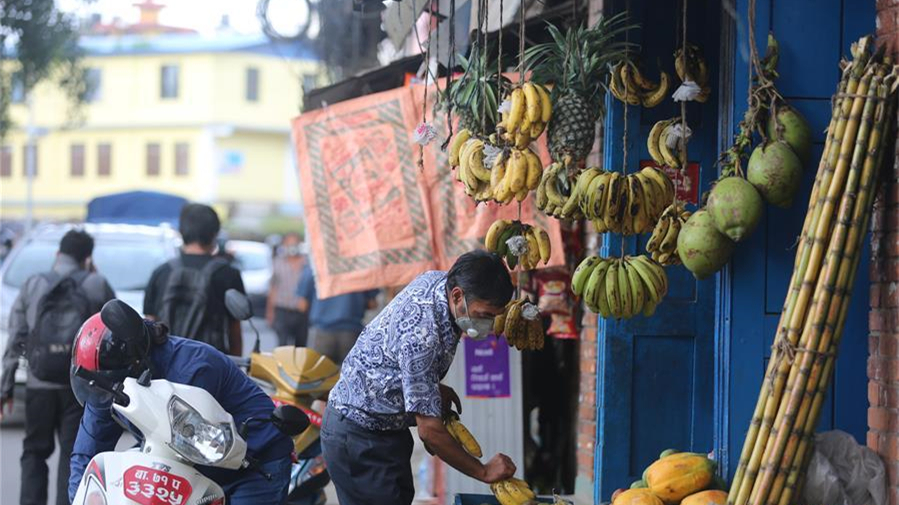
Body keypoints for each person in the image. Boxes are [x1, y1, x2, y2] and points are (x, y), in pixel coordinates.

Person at [321, 250, 517, 505]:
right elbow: (429, 431)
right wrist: (484, 471)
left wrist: (430, 387)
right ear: (457, 295)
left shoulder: (438, 281)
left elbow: (401, 358)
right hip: (359, 436)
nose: (488, 325)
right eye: (484, 315)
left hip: (387, 431)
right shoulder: (423, 336)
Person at [68, 300, 295, 504]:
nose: (104, 396)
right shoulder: (106, 385)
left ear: (136, 364)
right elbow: (87, 453)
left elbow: (191, 453)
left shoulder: (192, 371)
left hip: (255, 463)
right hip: (195, 463)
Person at [1, 229, 115, 505]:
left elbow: (16, 336)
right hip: (79, 386)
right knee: (72, 454)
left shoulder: (33, 283)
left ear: (57, 254)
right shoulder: (97, 283)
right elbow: (112, 334)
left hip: (38, 383)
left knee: (34, 452)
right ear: (88, 258)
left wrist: (6, 388)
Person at [143, 204, 245, 356]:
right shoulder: (228, 274)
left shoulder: (161, 273)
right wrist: (234, 366)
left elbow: (149, 326)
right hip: (210, 363)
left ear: (181, 231)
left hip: (167, 363)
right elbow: (234, 332)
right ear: (215, 233)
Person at [296, 261, 379, 364]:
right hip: (352, 333)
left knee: (319, 372)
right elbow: (372, 304)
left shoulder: (315, 265)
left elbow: (302, 305)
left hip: (321, 333)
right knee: (350, 372)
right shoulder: (362, 266)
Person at [266, 233, 308, 347]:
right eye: (289, 243)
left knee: (300, 346)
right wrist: (270, 312)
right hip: (282, 310)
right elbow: (273, 288)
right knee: (282, 345)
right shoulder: (278, 263)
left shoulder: (307, 263)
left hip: (301, 312)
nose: (292, 246)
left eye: (295, 243)